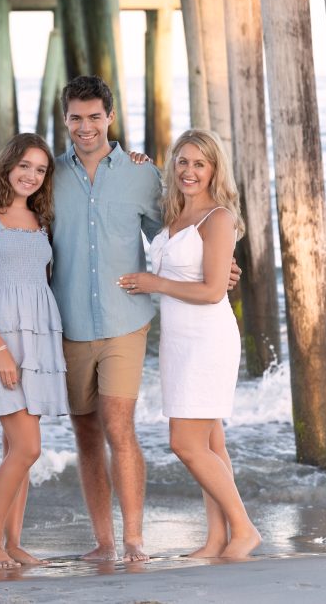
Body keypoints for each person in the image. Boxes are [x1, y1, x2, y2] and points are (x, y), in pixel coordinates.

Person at [118, 129, 261, 560]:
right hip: (179, 339)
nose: (189, 171)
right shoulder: (172, 213)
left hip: (207, 338)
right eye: (182, 161)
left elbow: (215, 290)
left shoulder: (218, 218)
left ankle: (244, 528)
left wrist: (153, 283)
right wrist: (138, 165)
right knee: (212, 443)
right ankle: (218, 539)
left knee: (185, 442)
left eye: (200, 163)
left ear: (214, 169)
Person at [49, 75, 164, 562]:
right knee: (87, 433)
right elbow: (18, 231)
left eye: (95, 116)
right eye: (76, 117)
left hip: (125, 320)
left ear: (110, 117)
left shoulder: (142, 174)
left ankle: (134, 538)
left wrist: (223, 264)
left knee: (119, 426)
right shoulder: (48, 177)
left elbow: (171, 239)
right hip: (69, 322)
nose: (85, 126)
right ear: (65, 119)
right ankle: (104, 541)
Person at [0, 133, 70, 570]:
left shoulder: (42, 220)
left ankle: (13, 543)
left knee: (15, 449)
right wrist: (0, 349)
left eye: (40, 170)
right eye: (25, 165)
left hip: (39, 337)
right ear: (7, 164)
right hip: (1, 338)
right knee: (27, 448)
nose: (31, 175)